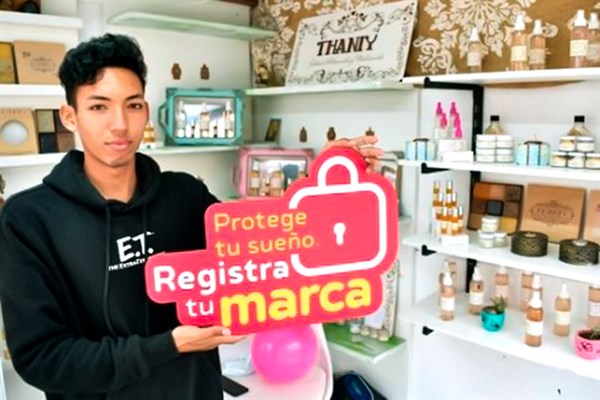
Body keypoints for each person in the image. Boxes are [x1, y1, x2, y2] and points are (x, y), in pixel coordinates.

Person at [0, 33, 382, 400]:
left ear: (145, 110)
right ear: (70, 116)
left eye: (133, 105)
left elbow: (263, 249)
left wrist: (321, 186)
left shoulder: (184, 195)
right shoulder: (29, 220)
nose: (119, 124)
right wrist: (168, 346)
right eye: (99, 106)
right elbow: (42, 359)